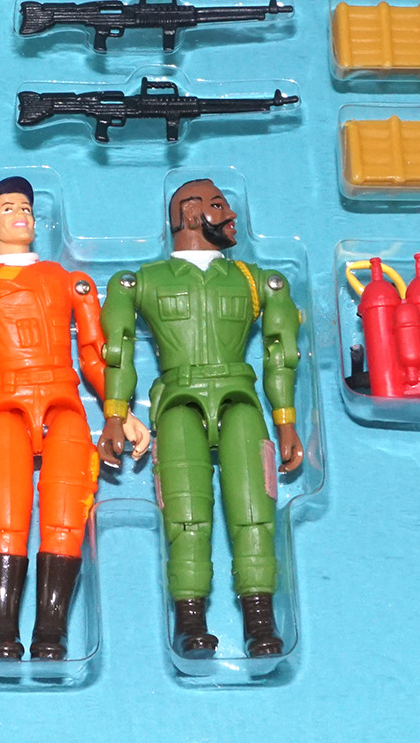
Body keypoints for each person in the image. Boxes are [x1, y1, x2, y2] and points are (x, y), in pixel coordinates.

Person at [0, 176, 149, 660]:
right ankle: (1, 631)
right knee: (4, 516)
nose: (20, 214)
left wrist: (119, 410)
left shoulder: (67, 280)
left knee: (66, 514)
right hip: (4, 402)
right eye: (7, 208)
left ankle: (51, 633)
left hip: (63, 399)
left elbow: (95, 353)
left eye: (26, 208)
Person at [97, 178, 302, 658]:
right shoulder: (144, 281)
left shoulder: (257, 280)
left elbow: (281, 352)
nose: (229, 215)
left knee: (254, 511)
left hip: (239, 396)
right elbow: (117, 349)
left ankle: (261, 620)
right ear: (191, 214)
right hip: (177, 399)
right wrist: (114, 414)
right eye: (216, 206)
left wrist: (286, 421)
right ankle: (190, 622)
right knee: (185, 516)